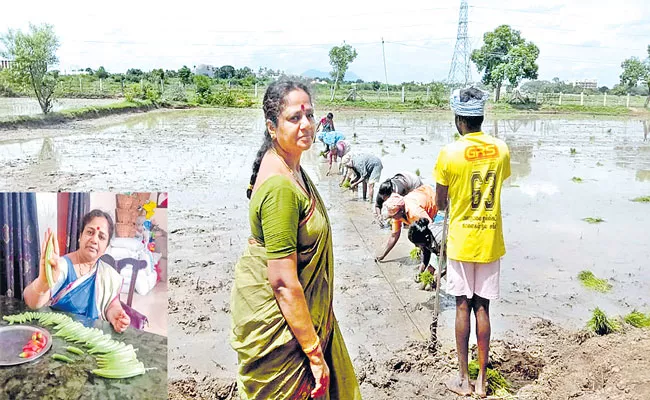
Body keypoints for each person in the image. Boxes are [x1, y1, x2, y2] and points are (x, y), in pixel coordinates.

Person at [230, 80, 361, 399]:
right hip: (281, 334)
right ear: (272, 127)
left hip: (297, 321)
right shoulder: (281, 189)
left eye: (310, 116)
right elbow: (283, 283)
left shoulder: (292, 168)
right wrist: (315, 355)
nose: (306, 125)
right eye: (294, 118)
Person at [435, 87, 510, 398]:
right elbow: (497, 183)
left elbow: (440, 204)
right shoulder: (501, 149)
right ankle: (483, 381)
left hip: (462, 241)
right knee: (483, 308)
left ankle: (463, 378)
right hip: (490, 239)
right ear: (481, 117)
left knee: (462, 306)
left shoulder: (449, 153)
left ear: (458, 120)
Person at [23, 209, 130, 333]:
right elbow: (32, 302)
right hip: (60, 337)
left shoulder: (107, 274)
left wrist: (116, 315)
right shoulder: (62, 266)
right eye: (90, 232)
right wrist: (41, 283)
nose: (94, 240)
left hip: (91, 336)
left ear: (106, 247)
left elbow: (112, 304)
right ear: (80, 236)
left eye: (101, 237)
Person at [375, 184, 437, 262]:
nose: (392, 218)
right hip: (422, 194)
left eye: (393, 216)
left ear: (401, 211)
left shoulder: (415, 212)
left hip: (434, 199)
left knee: (428, 240)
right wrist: (383, 255)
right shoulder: (397, 214)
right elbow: (394, 236)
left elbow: (431, 228)